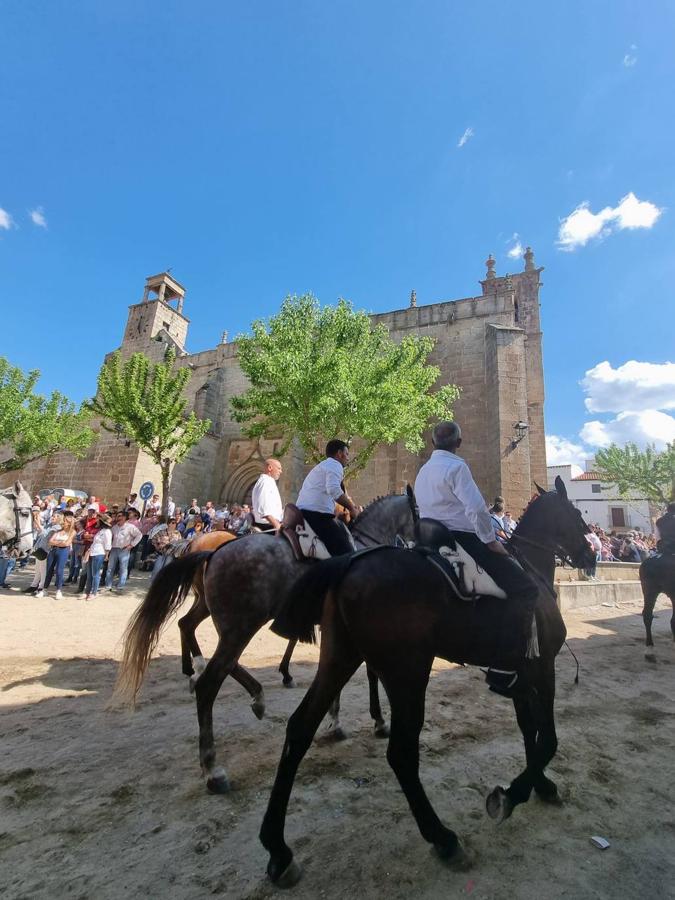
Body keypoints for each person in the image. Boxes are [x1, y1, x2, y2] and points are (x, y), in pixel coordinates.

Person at [413, 421, 539, 697]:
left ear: (434, 443)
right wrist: (491, 541)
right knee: (527, 589)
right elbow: (477, 510)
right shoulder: (457, 467)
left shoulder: (423, 471)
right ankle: (506, 665)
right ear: (459, 443)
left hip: (429, 539)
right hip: (462, 539)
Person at [296, 439, 360, 556]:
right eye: (346, 454)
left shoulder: (323, 465)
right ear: (339, 454)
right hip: (316, 516)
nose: (347, 458)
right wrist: (352, 508)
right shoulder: (335, 465)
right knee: (347, 553)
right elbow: (334, 490)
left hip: (304, 513)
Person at [105, 510, 142, 592]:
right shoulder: (114, 527)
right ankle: (108, 585)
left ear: (125, 517)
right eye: (118, 516)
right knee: (110, 568)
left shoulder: (130, 527)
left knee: (123, 568)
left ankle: (120, 586)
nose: (118, 518)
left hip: (124, 550)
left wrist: (131, 545)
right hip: (114, 549)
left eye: (120, 516)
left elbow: (139, 535)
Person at [44, 509, 76, 599]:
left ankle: (58, 590)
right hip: (53, 551)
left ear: (69, 523)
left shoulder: (72, 532)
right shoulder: (58, 530)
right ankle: (44, 589)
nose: (63, 522)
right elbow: (50, 541)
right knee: (49, 570)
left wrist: (57, 542)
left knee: (59, 570)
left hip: (63, 551)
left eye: (65, 521)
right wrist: (60, 542)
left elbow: (67, 543)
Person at [85, 512, 112, 600]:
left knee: (95, 574)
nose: (96, 521)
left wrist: (106, 555)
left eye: (98, 520)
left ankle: (94, 592)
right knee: (89, 574)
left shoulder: (107, 531)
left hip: (99, 553)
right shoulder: (100, 531)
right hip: (93, 552)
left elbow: (108, 544)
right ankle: (87, 592)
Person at [251, 458, 284, 531]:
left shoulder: (268, 481)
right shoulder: (265, 482)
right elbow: (263, 508)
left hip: (271, 524)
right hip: (268, 526)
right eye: (279, 468)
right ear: (270, 468)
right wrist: (277, 525)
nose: (281, 471)